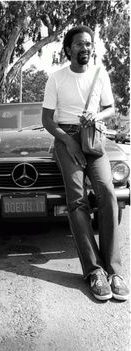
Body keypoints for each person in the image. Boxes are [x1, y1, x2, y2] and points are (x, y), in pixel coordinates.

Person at [42, 25, 129, 301]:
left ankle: (114, 269)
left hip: (94, 138)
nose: (85, 48)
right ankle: (94, 271)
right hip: (66, 138)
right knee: (77, 200)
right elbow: (47, 120)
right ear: (68, 49)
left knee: (107, 193)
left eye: (89, 44)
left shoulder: (99, 74)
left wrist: (97, 116)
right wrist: (68, 142)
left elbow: (110, 108)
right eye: (79, 44)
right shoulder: (56, 78)